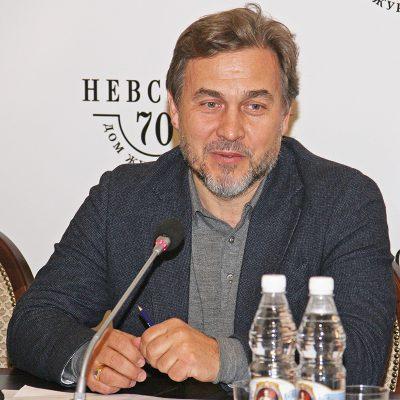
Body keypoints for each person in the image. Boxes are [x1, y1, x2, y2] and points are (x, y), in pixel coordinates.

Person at [7, 3, 395, 395]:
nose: (230, 130)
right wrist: (88, 353)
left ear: (284, 116)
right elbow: (33, 321)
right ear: (175, 110)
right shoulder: (123, 199)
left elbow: (361, 360)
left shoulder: (343, 203)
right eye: (210, 104)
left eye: (255, 106)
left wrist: (225, 359)